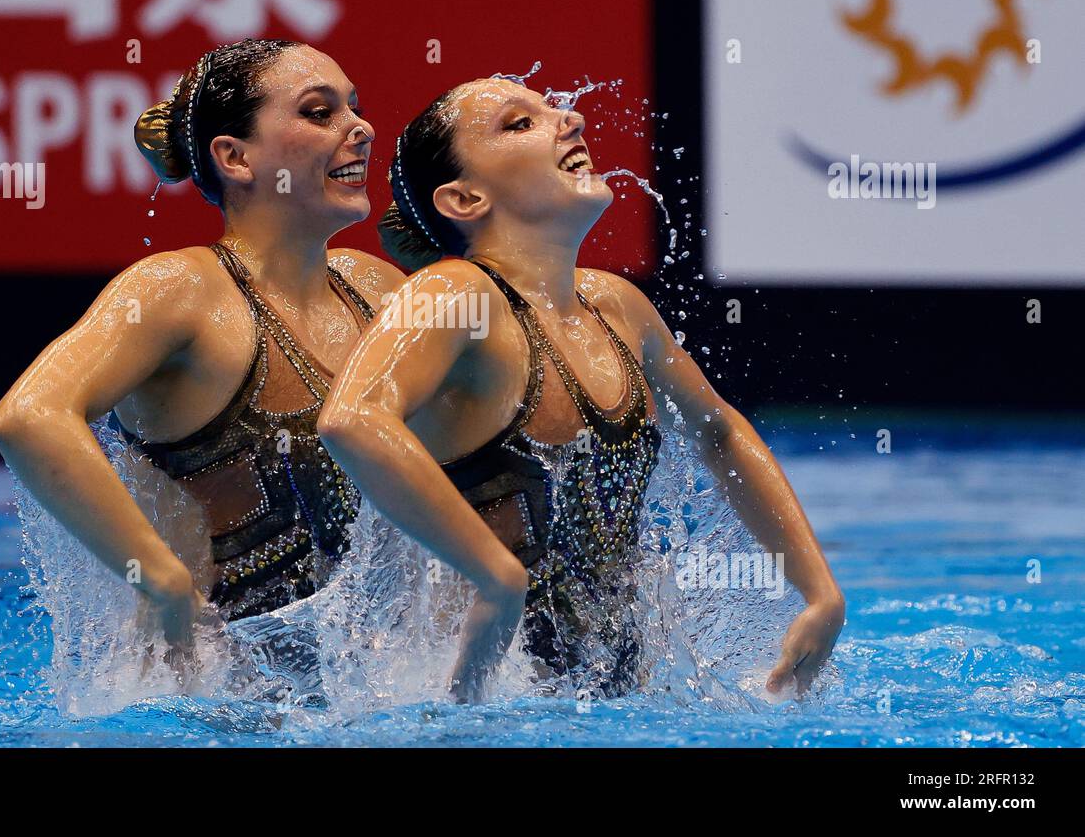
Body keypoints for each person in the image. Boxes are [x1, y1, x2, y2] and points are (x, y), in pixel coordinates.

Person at [319, 77, 845, 702]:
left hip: (612, 691)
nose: (567, 119)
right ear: (464, 198)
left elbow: (720, 432)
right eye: (519, 123)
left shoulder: (616, 307)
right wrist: (494, 576)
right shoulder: (453, 293)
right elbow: (351, 418)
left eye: (552, 109)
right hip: (464, 696)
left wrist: (820, 593)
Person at [0, 40, 404, 656]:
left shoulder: (376, 289)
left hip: (358, 688)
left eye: (355, 107)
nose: (361, 128)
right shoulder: (183, 292)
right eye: (320, 113)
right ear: (234, 157)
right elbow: (28, 418)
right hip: (211, 701)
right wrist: (162, 581)